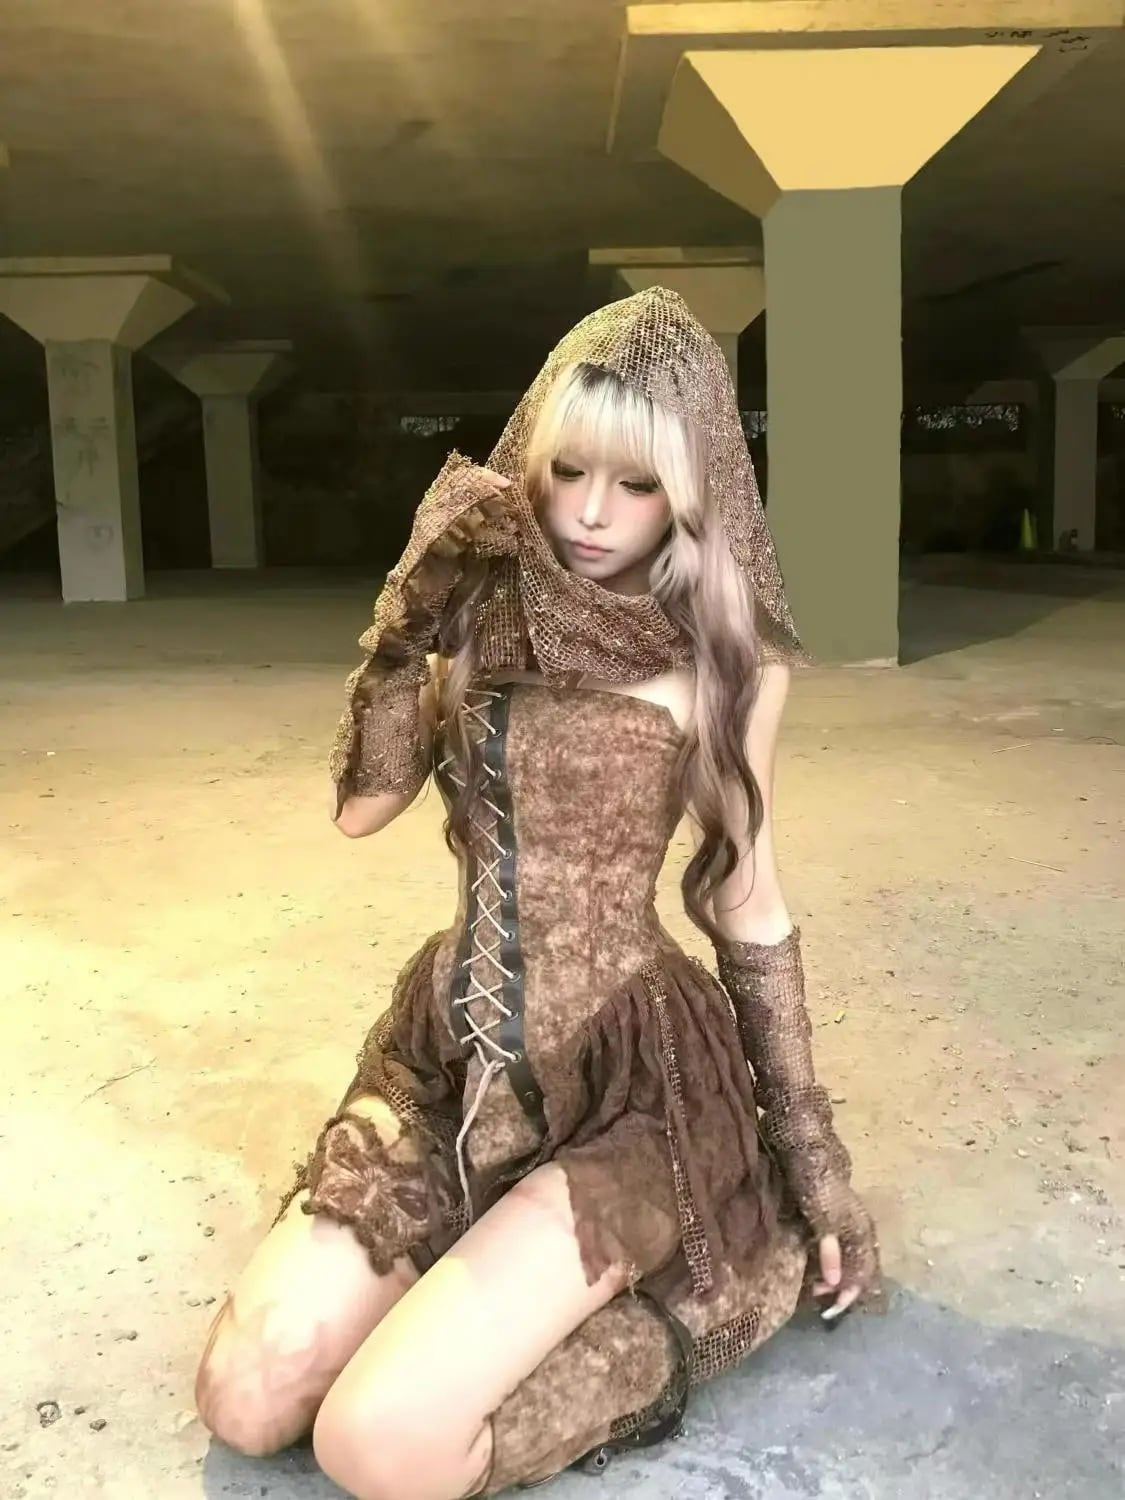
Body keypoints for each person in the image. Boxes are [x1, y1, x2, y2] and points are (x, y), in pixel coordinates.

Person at [194, 286, 881, 1500]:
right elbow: (363, 810)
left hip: (631, 1084)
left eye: (637, 484)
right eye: (568, 471)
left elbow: (747, 901)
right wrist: (406, 625)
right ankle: (475, 1264)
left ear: (690, 490)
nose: (591, 513)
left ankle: (724, 1281)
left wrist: (813, 1162)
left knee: (378, 1446)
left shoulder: (724, 662)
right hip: (453, 1057)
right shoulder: (482, 603)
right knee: (247, 1395)